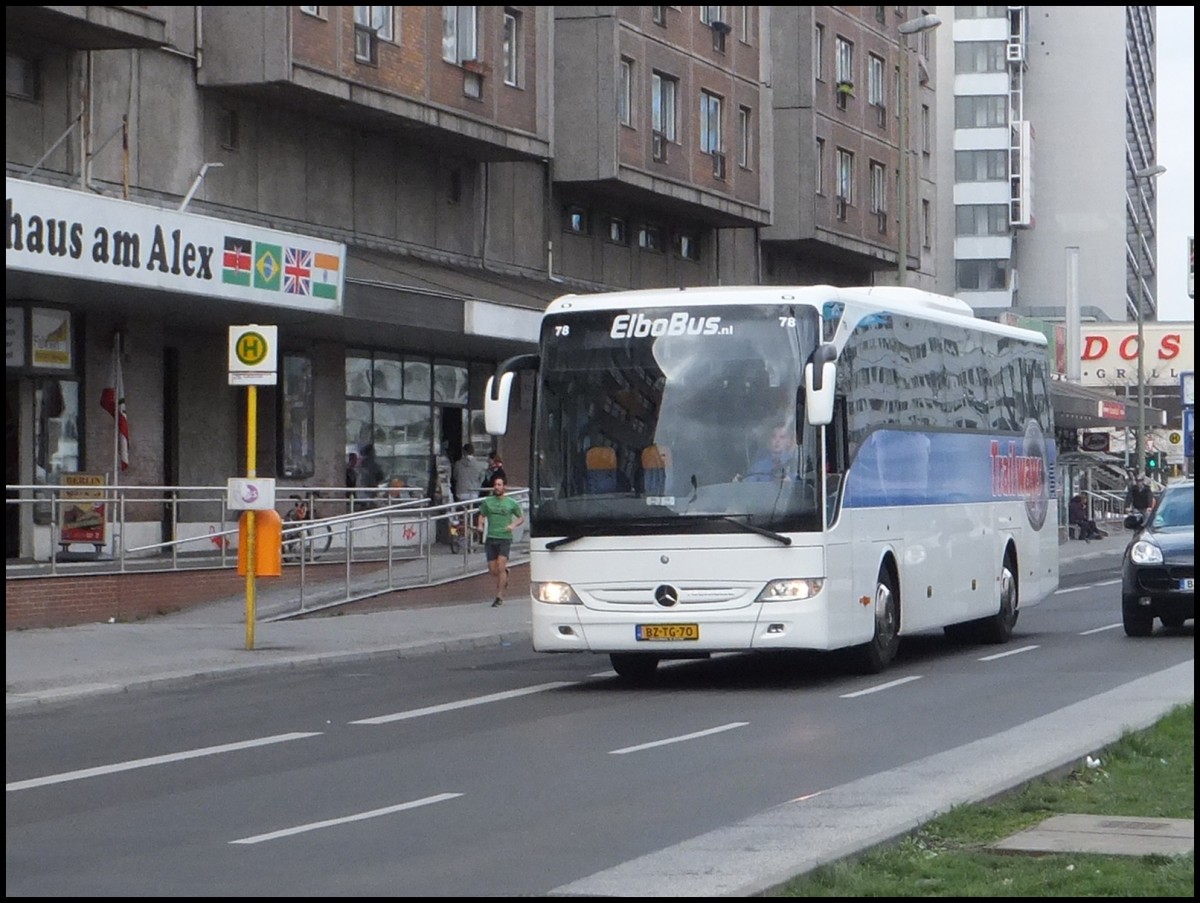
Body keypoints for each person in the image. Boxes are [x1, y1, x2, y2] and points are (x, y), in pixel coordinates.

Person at [475, 475, 525, 607]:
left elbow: (521, 517)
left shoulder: (511, 503)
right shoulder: (488, 501)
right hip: (491, 537)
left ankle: (499, 596)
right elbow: (481, 515)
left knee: (501, 566)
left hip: (504, 538)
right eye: (495, 485)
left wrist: (512, 525)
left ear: (504, 487)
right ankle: (505, 574)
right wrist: (480, 525)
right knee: (493, 570)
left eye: (499, 485)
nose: (497, 487)